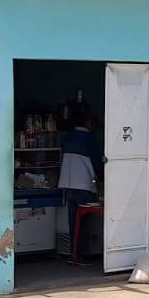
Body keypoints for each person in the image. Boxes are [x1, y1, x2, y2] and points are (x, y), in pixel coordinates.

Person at [57, 107, 102, 259]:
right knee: (84, 222)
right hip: (84, 186)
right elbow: (97, 163)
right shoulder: (90, 140)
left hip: (68, 184)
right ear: (88, 123)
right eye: (95, 124)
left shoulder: (68, 137)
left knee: (73, 221)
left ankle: (73, 252)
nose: (96, 128)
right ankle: (82, 255)